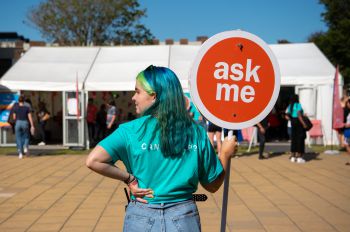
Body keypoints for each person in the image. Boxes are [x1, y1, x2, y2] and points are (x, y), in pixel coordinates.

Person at [86, 65, 237, 231]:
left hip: (140, 217)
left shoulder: (129, 131)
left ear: (154, 96)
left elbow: (94, 161)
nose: (133, 97)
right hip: (183, 218)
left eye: (137, 91)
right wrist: (224, 155)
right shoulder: (197, 132)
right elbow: (212, 185)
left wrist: (129, 179)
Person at [286, 94, 307, 163]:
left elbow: (287, 116)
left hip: (293, 123)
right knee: (300, 139)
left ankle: (293, 156)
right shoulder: (298, 105)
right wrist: (304, 124)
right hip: (299, 123)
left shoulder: (290, 106)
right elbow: (299, 115)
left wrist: (292, 119)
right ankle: (299, 157)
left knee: (293, 139)